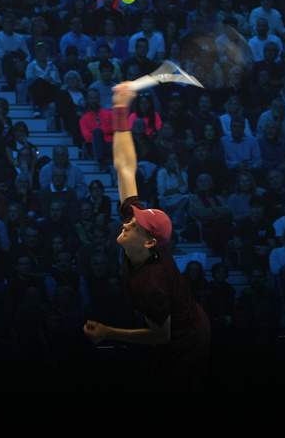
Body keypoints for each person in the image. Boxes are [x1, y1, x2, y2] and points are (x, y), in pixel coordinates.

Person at [83, 82, 210, 385]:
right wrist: (120, 109)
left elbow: (161, 334)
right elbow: (125, 166)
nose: (127, 223)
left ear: (150, 242)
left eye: (135, 225)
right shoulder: (138, 230)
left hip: (188, 339)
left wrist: (108, 332)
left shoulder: (152, 283)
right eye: (132, 220)